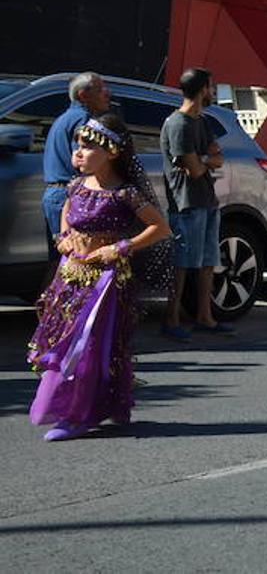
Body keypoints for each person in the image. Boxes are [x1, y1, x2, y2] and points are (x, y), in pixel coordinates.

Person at [28, 114, 172, 441]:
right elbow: (67, 212)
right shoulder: (77, 185)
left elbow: (160, 228)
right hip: (71, 276)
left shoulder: (124, 194)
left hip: (104, 283)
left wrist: (121, 248)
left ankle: (79, 415)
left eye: (88, 146)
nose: (79, 152)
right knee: (63, 344)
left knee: (90, 345)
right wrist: (63, 237)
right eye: (78, 145)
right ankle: (72, 407)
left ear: (112, 152)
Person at [160, 68, 231, 341]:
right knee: (182, 263)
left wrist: (203, 159)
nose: (212, 92)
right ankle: (172, 318)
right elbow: (195, 169)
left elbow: (217, 157)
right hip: (186, 202)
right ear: (203, 89)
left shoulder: (202, 121)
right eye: (211, 87)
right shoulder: (178, 124)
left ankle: (205, 316)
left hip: (207, 199)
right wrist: (204, 159)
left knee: (207, 262)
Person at [40, 72, 111, 260]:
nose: (107, 93)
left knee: (59, 262)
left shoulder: (66, 117)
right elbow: (84, 164)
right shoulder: (83, 120)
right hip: (67, 196)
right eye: (100, 89)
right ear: (83, 95)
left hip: (56, 194)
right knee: (74, 261)